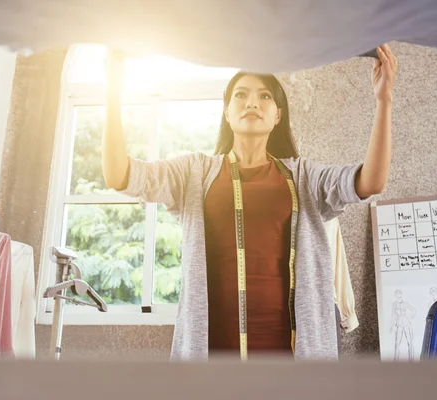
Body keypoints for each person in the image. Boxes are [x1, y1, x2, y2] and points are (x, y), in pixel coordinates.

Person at [102, 44, 397, 361]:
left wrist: (384, 100)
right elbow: (120, 175)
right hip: (212, 360)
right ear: (227, 113)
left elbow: (371, 181)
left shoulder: (305, 178)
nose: (252, 102)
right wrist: (112, 91)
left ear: (278, 114)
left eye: (265, 96)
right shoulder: (192, 174)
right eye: (240, 95)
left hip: (291, 359)